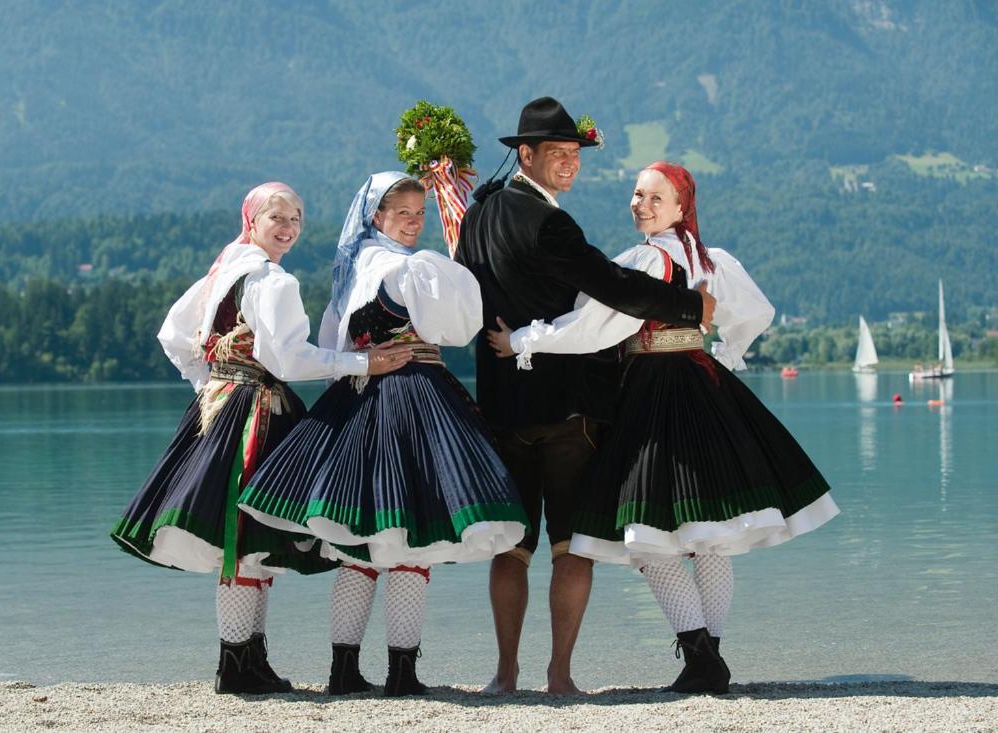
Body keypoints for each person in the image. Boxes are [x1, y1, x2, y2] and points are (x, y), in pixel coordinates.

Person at [489, 161, 840, 694]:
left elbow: (591, 329)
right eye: (637, 195)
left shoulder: (643, 262)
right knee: (710, 537)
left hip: (653, 394)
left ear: (681, 207)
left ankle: (701, 656)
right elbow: (758, 313)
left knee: (650, 540)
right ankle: (708, 658)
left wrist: (521, 341)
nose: (641, 205)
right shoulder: (711, 261)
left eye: (656, 198)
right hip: (707, 389)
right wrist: (725, 352)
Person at [454, 97, 715, 695]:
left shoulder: (478, 216)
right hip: (570, 407)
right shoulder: (550, 222)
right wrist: (687, 304)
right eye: (558, 154)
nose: (570, 164)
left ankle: (504, 675)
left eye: (575, 154)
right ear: (527, 155)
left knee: (512, 547)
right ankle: (560, 675)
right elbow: (612, 285)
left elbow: (468, 296)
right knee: (571, 546)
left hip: (502, 403)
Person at [110, 182, 412, 695]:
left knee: (243, 539)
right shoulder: (271, 280)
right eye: (279, 218)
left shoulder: (224, 268)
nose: (289, 228)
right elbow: (290, 360)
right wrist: (363, 362)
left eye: (297, 218)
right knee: (247, 539)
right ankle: (239, 665)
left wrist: (210, 378)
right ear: (252, 218)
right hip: (257, 413)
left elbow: (172, 333)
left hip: (221, 407)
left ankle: (244, 661)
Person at [238, 172, 529, 697]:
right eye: (404, 214)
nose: (415, 223)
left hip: (361, 397)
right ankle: (401, 671)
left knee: (363, 544)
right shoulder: (410, 267)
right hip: (415, 397)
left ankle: (344, 670)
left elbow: (332, 343)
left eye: (421, 214)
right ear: (378, 217)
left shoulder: (353, 272)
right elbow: (457, 329)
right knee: (413, 539)